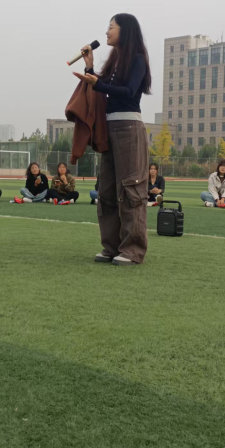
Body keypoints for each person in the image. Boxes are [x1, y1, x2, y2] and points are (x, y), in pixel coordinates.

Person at [73, 13, 151, 266]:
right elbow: (100, 87)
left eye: (111, 27)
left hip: (129, 127)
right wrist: (89, 67)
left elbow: (128, 92)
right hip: (109, 128)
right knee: (106, 190)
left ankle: (132, 250)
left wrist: (97, 83)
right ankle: (111, 247)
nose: (107, 32)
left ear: (125, 31)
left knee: (131, 189)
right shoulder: (115, 60)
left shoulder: (137, 59)